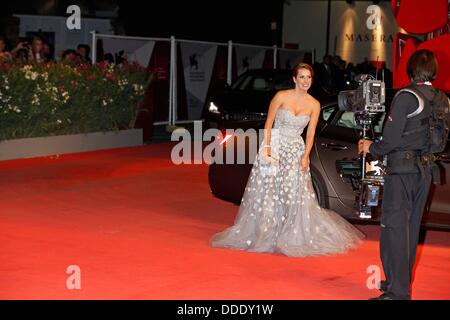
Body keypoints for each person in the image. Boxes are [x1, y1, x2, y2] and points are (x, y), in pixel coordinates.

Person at [210, 63, 365, 257]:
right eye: (302, 77)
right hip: (274, 144)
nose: (305, 81)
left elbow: (310, 134)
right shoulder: (281, 97)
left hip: (295, 149)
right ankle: (265, 233)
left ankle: (288, 233)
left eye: (309, 77)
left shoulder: (314, 104)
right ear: (294, 79)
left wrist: (306, 156)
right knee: (269, 192)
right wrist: (266, 149)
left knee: (292, 192)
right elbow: (268, 124)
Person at [359, 49, 449, 300]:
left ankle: (397, 292)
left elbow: (389, 140)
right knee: (409, 230)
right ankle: (398, 284)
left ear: (410, 71)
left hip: (402, 171)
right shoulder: (442, 99)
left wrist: (371, 147)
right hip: (425, 171)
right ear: (434, 71)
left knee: (395, 229)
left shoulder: (407, 97)